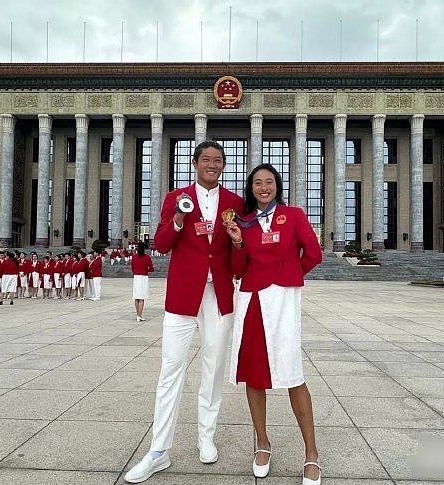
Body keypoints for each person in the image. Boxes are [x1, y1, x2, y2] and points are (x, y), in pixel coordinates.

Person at [125, 140, 244, 483]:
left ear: (223, 165)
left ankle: (206, 437)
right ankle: (158, 451)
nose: (212, 164)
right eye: (206, 159)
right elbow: (161, 244)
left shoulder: (235, 204)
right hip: (182, 296)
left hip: (218, 295)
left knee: (213, 366)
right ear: (195, 163)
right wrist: (179, 216)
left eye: (218, 160)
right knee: (171, 368)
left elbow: (239, 262)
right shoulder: (175, 198)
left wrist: (237, 241)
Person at [224, 163, 323, 485]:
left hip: (282, 300)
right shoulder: (244, 223)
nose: (263, 187)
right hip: (252, 299)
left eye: (269, 182)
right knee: (255, 374)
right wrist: (238, 241)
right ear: (250, 189)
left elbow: (313, 253)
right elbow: (237, 268)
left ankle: (311, 454)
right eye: (257, 183)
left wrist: (288, 278)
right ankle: (263, 444)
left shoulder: (293, 215)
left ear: (277, 186)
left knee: (292, 372)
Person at [130, 241, 154, 321]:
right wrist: (146, 269)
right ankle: (139, 315)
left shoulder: (134, 257)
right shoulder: (147, 257)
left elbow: (132, 267)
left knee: (136, 297)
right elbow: (151, 268)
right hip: (143, 277)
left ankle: (138, 315)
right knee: (142, 298)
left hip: (136, 277)